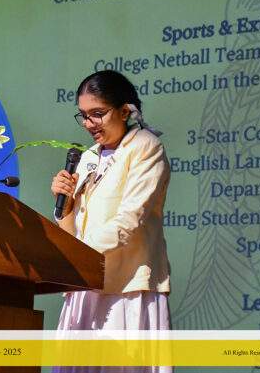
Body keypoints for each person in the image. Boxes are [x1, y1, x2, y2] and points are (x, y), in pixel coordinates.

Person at [51, 70, 172, 373]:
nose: (88, 124)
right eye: (83, 116)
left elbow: (129, 221)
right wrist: (65, 208)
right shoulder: (88, 157)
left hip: (126, 289)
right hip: (85, 288)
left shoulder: (146, 146)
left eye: (97, 114)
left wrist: (75, 257)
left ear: (124, 111)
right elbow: (74, 232)